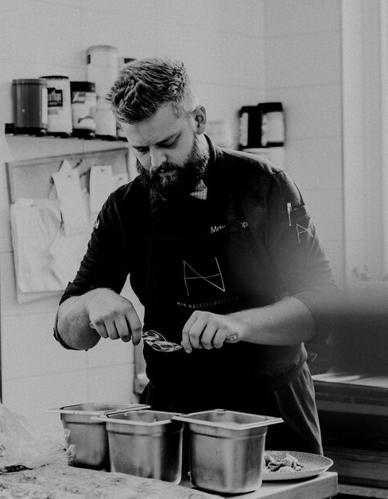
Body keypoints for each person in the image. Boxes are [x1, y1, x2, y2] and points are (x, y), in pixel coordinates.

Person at [54, 58, 338, 454]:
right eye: (141, 150)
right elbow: (68, 332)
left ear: (199, 120)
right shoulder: (125, 208)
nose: (156, 163)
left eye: (168, 143)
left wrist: (237, 325)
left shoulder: (266, 187)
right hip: (172, 413)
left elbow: (322, 306)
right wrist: (91, 302)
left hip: (271, 410)